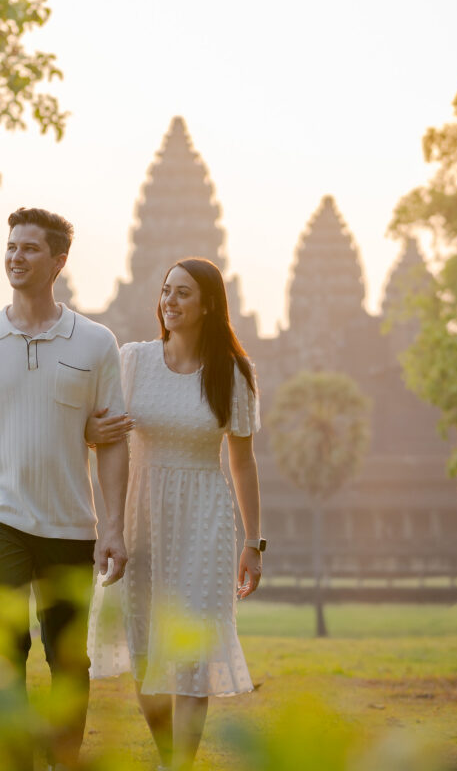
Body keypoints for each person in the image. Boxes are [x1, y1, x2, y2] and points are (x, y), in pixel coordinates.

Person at [0, 207, 130, 771]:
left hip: (70, 524)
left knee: (69, 663)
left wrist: (114, 528)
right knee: (5, 650)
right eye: (11, 246)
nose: (16, 256)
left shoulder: (96, 343)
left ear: (58, 261)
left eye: (29, 248)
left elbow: (114, 440)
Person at [86, 257, 264, 771]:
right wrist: (110, 524)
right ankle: (166, 756)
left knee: (192, 652)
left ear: (209, 304)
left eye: (183, 293)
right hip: (141, 512)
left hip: (204, 519)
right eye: (166, 291)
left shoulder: (233, 373)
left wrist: (254, 543)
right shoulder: (134, 360)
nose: (170, 301)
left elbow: (244, 462)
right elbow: (105, 438)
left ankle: (178, 766)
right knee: (143, 648)